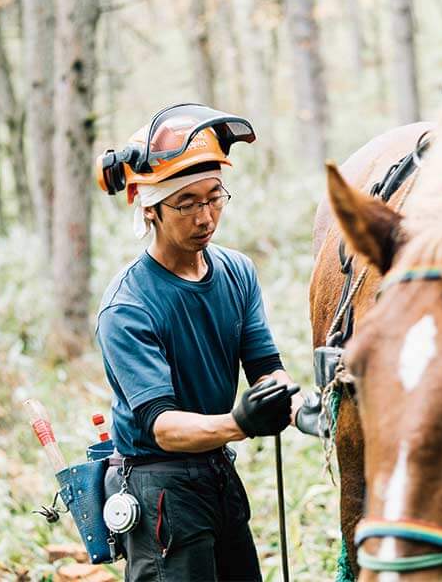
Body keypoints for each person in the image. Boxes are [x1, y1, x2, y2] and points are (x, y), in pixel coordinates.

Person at [95, 105, 320, 581]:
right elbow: (163, 427)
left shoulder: (237, 271)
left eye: (215, 198)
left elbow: (264, 365)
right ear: (150, 208)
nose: (206, 217)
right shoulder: (128, 306)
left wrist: (296, 405)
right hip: (159, 488)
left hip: (218, 474)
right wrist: (241, 421)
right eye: (187, 203)